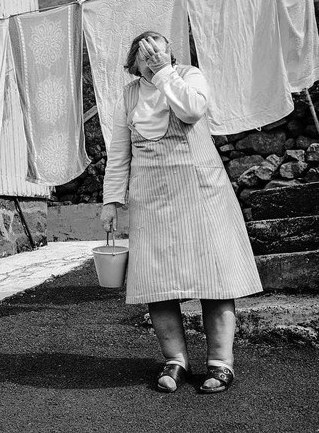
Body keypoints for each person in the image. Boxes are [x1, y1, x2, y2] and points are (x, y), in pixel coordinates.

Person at [99, 31, 263, 394]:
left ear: (171, 54)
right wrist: (111, 201)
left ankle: (220, 363)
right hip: (151, 199)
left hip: (201, 193)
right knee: (158, 284)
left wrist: (164, 74)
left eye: (161, 47)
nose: (154, 53)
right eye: (146, 51)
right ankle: (175, 360)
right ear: (133, 61)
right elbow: (119, 153)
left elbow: (192, 110)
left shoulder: (188, 77)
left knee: (215, 278)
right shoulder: (128, 96)